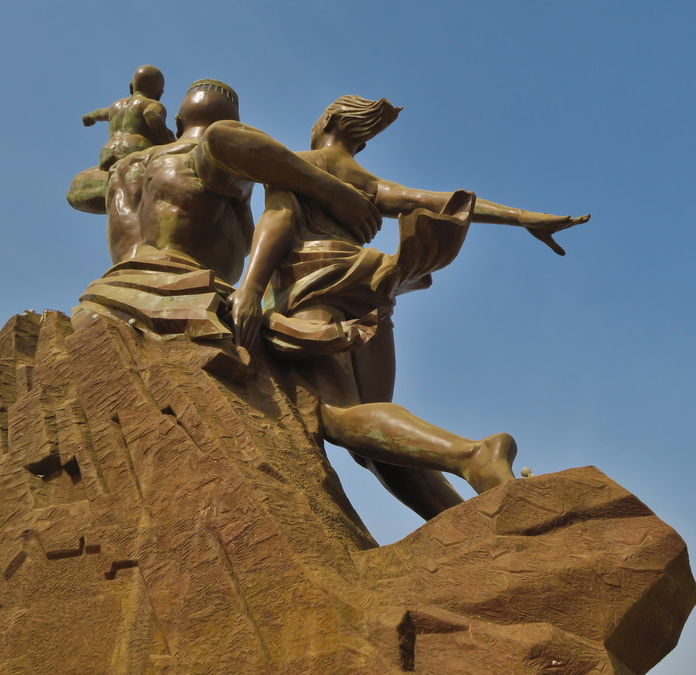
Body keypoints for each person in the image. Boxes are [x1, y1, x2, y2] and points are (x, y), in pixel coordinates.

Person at [230, 95, 589, 518]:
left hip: (315, 285)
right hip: (371, 295)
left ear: (327, 119)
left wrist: (251, 287)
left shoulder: (294, 164)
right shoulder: (368, 182)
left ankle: (476, 453)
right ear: (360, 143)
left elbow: (279, 219)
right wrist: (525, 216)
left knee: (337, 417)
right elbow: (448, 203)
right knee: (379, 442)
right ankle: (471, 518)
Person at [67, 80, 381, 339]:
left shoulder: (125, 170)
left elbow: (78, 192)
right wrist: (335, 192)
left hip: (106, 296)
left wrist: (122, 138)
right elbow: (223, 139)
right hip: (185, 295)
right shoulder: (207, 158)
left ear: (178, 123)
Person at [82, 65, 177, 171]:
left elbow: (99, 113)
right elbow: (151, 115)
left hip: (107, 152)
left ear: (131, 87)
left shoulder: (115, 106)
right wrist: (167, 140)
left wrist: (89, 117)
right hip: (134, 149)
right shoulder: (152, 104)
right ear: (159, 94)